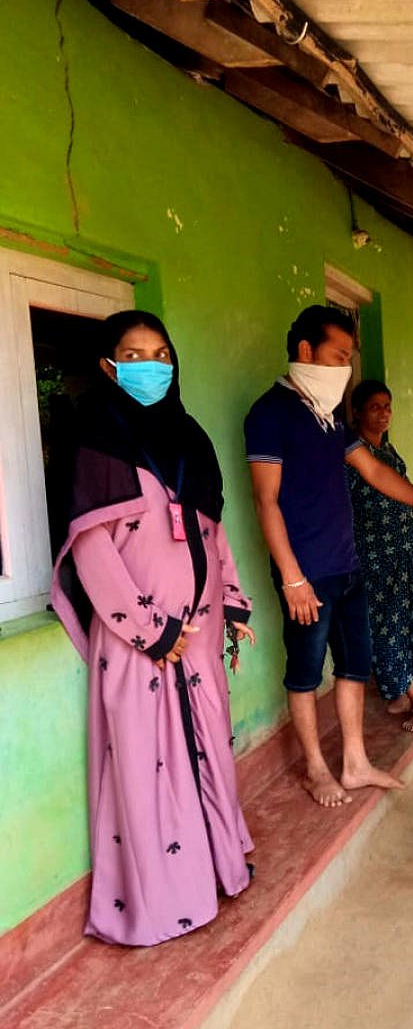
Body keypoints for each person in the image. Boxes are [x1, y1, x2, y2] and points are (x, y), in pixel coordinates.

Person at [51, 311, 256, 947]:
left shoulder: (188, 437)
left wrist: (234, 601)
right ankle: (164, 902)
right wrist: (151, 631)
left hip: (198, 631)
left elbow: (210, 534)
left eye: (161, 352)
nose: (151, 365)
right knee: (148, 763)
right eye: (134, 354)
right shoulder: (94, 437)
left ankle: (218, 864)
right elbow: (92, 552)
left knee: (207, 750)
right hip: (141, 642)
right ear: (110, 366)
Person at [244, 305, 413, 809]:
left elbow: (376, 473)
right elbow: (265, 500)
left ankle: (356, 763)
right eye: (339, 355)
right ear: (305, 351)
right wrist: (292, 578)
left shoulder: (329, 417)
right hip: (307, 574)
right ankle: (318, 769)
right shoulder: (270, 414)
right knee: (304, 671)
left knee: (355, 667)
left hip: (348, 566)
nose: (344, 367)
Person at [347, 379, 413, 732]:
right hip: (375, 557)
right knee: (388, 628)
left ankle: (401, 692)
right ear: (357, 412)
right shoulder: (351, 456)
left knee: (408, 623)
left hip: (404, 551)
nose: (384, 413)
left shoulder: (389, 451)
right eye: (375, 407)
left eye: (387, 406)